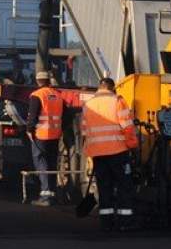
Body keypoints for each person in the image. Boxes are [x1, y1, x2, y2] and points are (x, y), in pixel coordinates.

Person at [80, 76, 138, 219]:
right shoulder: (117, 101)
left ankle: (107, 221)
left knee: (104, 187)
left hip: (98, 154)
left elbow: (84, 131)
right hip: (118, 151)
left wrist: (90, 151)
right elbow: (127, 126)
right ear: (112, 88)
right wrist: (132, 146)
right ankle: (125, 221)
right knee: (124, 186)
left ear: (100, 87)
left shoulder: (88, 104)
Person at [25, 71, 66, 205]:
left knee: (41, 162)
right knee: (52, 163)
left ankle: (45, 194)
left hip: (41, 135)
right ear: (49, 81)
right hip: (55, 135)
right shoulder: (58, 95)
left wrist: (29, 129)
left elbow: (33, 115)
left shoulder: (37, 95)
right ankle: (52, 193)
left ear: (37, 81)